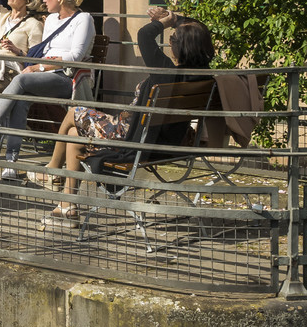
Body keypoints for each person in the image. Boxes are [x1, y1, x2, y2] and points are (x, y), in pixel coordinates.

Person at [42, 17, 216, 216]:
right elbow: (198, 29)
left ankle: (52, 171)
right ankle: (67, 205)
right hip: (165, 141)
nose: (170, 43)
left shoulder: (167, 73)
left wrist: (168, 20)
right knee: (74, 134)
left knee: (74, 112)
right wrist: (176, 20)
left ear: (182, 47)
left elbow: (144, 35)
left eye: (173, 40)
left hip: (131, 137)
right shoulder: (203, 77)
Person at [0, 0, 96, 177]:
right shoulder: (51, 19)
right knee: (20, 100)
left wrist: (39, 67)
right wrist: (31, 60)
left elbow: (75, 57)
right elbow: (43, 52)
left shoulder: (83, 19)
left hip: (69, 78)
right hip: (47, 75)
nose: (43, 1)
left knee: (21, 80)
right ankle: (11, 162)